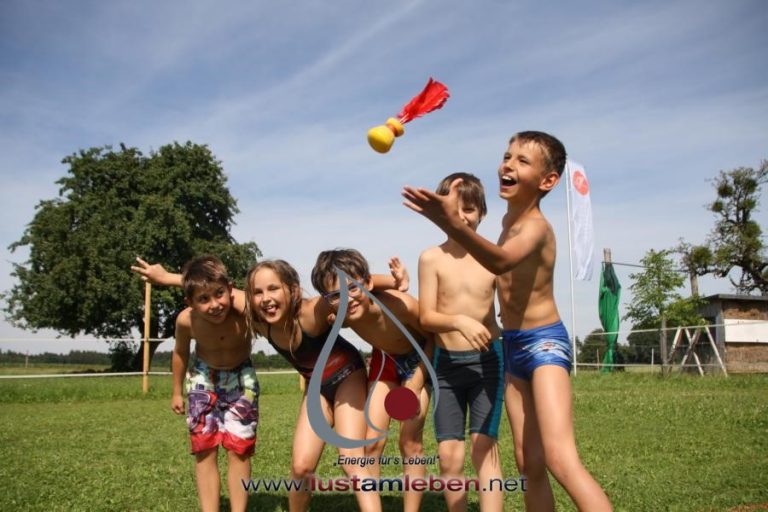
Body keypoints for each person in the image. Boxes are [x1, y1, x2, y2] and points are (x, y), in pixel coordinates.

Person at [402, 131, 612, 511]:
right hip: (512, 346)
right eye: (506, 156)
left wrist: (453, 223)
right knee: (528, 462)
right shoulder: (507, 222)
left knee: (559, 459)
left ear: (548, 181)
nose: (508, 165)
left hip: (543, 344)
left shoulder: (535, 227)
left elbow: (499, 262)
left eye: (522, 161)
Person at [133, 256, 406, 512]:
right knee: (301, 468)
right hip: (316, 386)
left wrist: (393, 282)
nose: (266, 298)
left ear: (293, 290)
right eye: (258, 292)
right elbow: (212, 288)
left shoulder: (312, 311)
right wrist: (166, 278)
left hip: (347, 376)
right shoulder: (259, 318)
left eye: (274, 289)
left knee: (351, 458)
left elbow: (349, 285)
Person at [311, 248, 432, 512]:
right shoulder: (341, 311)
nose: (347, 299)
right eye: (336, 296)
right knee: (372, 441)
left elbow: (434, 339)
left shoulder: (401, 305)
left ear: (366, 283)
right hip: (384, 361)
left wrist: (416, 382)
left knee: (409, 441)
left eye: (352, 290)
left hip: (420, 360)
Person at [417, 173, 504, 511]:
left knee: (485, 449)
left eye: (469, 209)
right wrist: (458, 321)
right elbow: (426, 317)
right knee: (449, 457)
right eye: (453, 209)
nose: (461, 217)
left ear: (482, 213)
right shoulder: (431, 258)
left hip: (488, 364)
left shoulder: (494, 258)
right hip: (447, 368)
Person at [169, 255, 258, 512]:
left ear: (230, 289)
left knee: (239, 449)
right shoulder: (186, 320)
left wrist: (166, 277)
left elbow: (252, 300)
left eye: (220, 294)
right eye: (203, 299)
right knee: (204, 448)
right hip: (203, 380)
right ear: (190, 303)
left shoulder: (244, 313)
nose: (215, 305)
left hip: (241, 379)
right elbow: (180, 353)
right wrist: (176, 392)